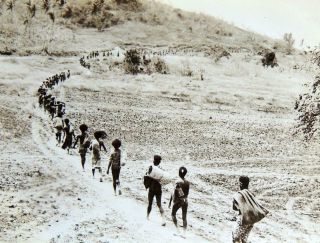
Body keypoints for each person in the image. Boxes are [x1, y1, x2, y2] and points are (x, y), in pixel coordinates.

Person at [232, 176, 269, 243]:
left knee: (236, 237)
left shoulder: (239, 195)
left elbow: (234, 208)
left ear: (240, 184)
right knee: (243, 239)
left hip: (243, 219)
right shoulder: (251, 194)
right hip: (251, 220)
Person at [145, 155, 166, 226]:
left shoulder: (151, 168)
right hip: (158, 189)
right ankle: (163, 219)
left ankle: (147, 217)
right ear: (159, 161)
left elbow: (146, 176)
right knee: (159, 204)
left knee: (150, 204)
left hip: (152, 188)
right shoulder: (162, 169)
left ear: (154, 160)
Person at [169, 166, 190, 232]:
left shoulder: (178, 182)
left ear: (179, 173)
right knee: (184, 217)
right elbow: (187, 193)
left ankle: (178, 229)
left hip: (179, 200)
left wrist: (172, 201)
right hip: (185, 200)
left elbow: (176, 193)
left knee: (173, 214)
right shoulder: (187, 182)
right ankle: (184, 233)